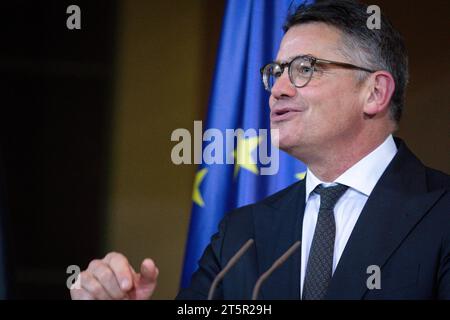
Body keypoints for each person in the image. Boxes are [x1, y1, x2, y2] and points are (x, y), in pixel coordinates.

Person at [70, 0, 450, 300]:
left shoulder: (441, 213)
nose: (278, 89)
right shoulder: (241, 233)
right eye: (276, 72)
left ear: (375, 92)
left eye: (304, 68)